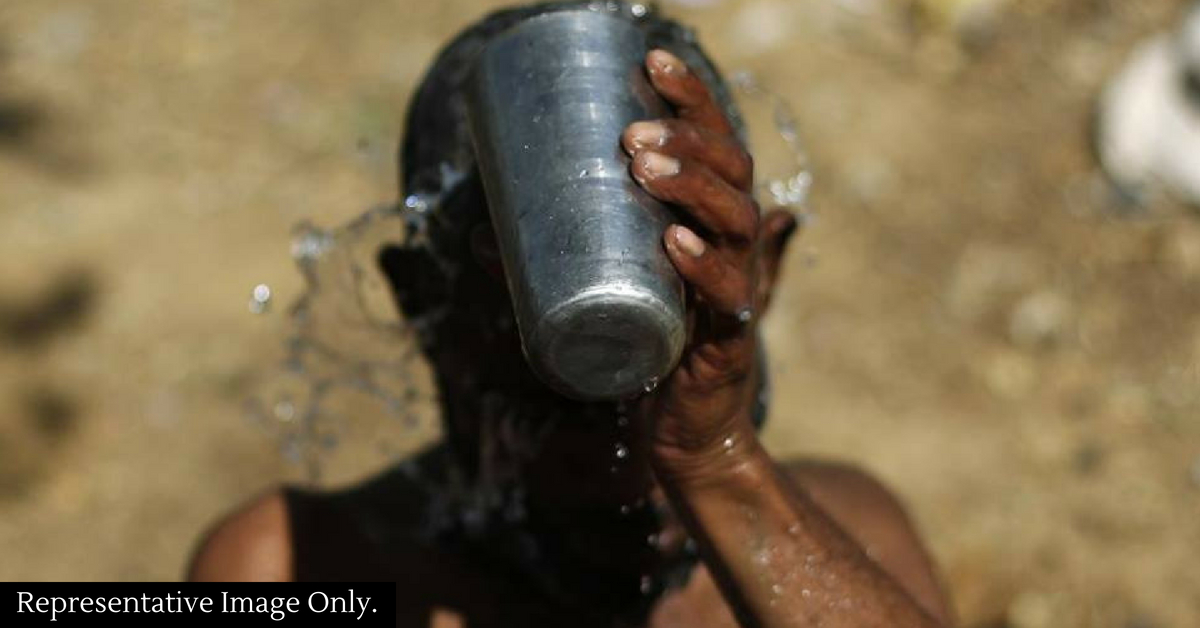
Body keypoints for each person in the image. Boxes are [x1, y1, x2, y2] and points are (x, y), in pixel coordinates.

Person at [188, 3, 953, 627]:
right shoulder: (298, 568)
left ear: (759, 277)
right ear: (421, 303)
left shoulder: (839, 540)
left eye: (651, 386)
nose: (613, 477)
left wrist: (715, 457)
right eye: (543, 403)